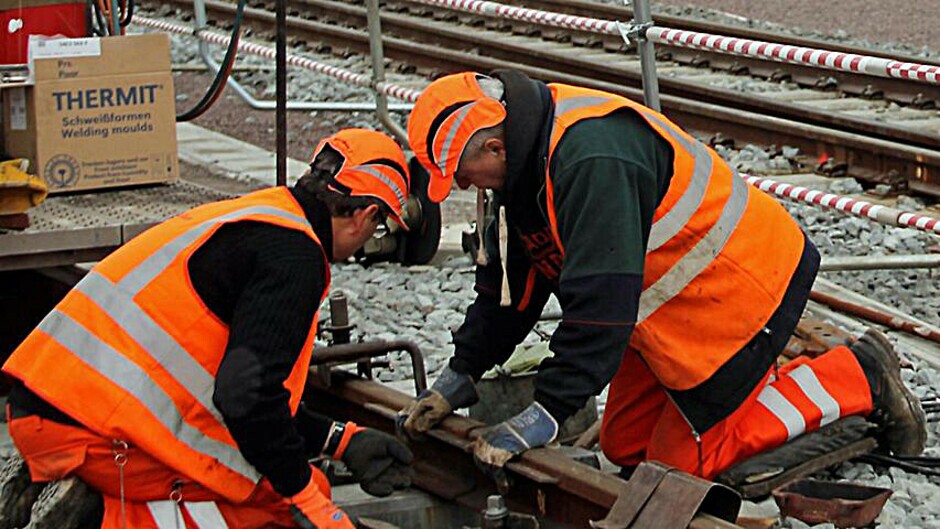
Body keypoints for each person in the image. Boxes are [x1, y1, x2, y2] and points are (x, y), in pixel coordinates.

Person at [398, 70, 927, 485]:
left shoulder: (591, 158)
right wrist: (460, 376)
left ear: (495, 147)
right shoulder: (518, 165)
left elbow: (598, 308)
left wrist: (549, 411)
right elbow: (510, 293)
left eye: (464, 177)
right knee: (625, 447)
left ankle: (859, 375)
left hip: (739, 287)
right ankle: (738, 397)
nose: (468, 189)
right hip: (665, 306)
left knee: (678, 467)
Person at [4, 128, 414, 528]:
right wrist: (306, 498)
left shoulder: (262, 216)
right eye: (378, 228)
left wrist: (339, 440)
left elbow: (239, 395)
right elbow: (245, 400)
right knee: (273, 505)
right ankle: (106, 515)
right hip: (90, 435)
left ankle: (88, 495)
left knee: (285, 480)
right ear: (366, 214)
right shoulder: (296, 259)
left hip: (52, 409)